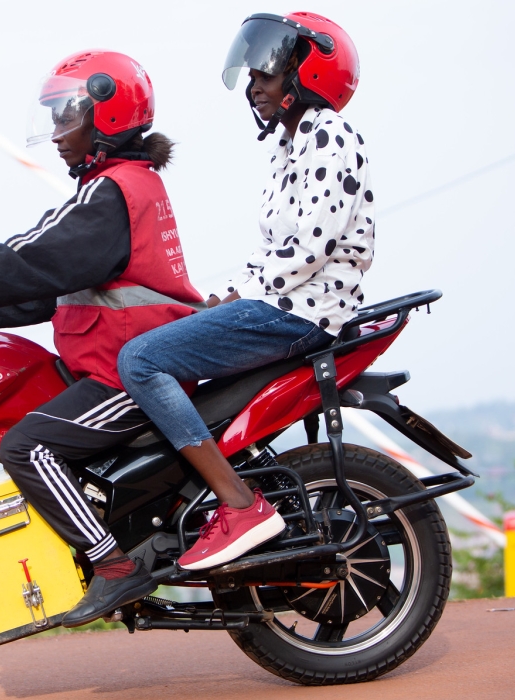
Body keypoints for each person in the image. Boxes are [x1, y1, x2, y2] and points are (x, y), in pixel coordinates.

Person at [0, 50, 204, 626]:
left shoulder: (110, 194)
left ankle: (113, 569)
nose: (56, 133)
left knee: (26, 446)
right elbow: (45, 292)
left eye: (66, 117)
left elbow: (32, 258)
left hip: (132, 374)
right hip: (123, 363)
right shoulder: (122, 188)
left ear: (104, 117)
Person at [118, 11, 374, 571]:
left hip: (301, 311)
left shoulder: (330, 135)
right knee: (165, 339)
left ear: (306, 73)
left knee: (139, 360)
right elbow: (272, 252)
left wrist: (243, 295)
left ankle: (237, 502)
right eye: (253, 74)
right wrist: (226, 293)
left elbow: (310, 247)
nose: (255, 85)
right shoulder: (291, 145)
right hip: (283, 301)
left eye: (267, 73)